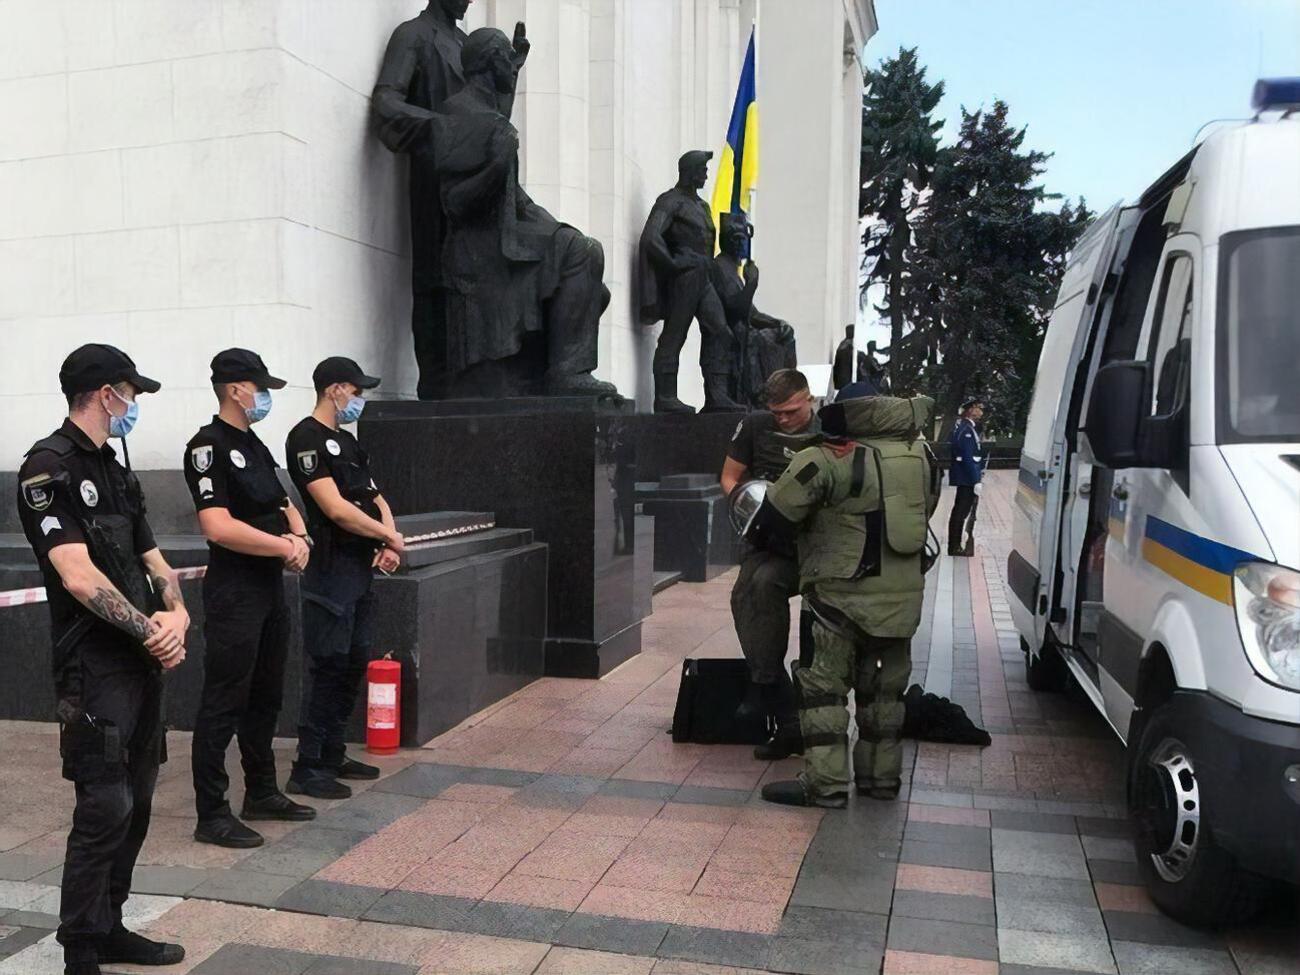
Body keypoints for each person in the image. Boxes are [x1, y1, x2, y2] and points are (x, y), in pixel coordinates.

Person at [16, 345, 187, 975]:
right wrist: (152, 632)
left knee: (138, 801)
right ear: (107, 393)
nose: (134, 405)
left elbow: (153, 557)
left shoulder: (116, 469)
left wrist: (176, 610)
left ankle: (110, 925)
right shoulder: (46, 468)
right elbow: (77, 575)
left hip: (140, 661)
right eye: (131, 394)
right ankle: (81, 951)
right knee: (103, 806)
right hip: (94, 667)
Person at [757, 394, 940, 808]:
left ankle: (826, 786)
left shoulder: (825, 458)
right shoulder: (921, 454)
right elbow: (925, 508)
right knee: (885, 695)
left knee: (823, 691)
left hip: (836, 601)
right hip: (900, 599)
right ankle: (881, 781)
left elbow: (776, 512)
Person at [432, 27, 618, 398]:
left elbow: (496, 123)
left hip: (507, 233)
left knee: (590, 271)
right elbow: (454, 203)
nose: (512, 68)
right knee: (583, 252)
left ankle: (559, 369)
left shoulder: (487, 113)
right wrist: (496, 166)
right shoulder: (455, 116)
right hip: (481, 248)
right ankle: (566, 372)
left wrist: (552, 227)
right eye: (505, 59)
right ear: (487, 62)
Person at [184, 349, 315, 848]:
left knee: (266, 695)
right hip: (235, 590)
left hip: (269, 588)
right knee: (224, 701)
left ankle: (261, 790)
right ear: (236, 389)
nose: (264, 398)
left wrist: (299, 537)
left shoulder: (254, 444)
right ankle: (211, 811)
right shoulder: (208, 446)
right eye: (260, 389)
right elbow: (217, 527)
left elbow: (282, 500)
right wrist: (284, 546)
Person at [373, 0, 530, 399]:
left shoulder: (467, 42)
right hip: (436, 178)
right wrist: (444, 128)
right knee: (434, 279)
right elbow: (386, 104)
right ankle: (437, 386)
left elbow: (492, 120)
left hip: (482, 179)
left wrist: (509, 76)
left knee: (489, 276)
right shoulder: (414, 34)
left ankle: (480, 379)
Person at [285, 358, 405, 799]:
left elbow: (373, 495)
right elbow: (334, 509)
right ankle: (308, 763)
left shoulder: (348, 442)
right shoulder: (306, 438)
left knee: (353, 661)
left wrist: (388, 541)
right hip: (330, 570)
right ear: (335, 390)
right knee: (328, 665)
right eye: (357, 392)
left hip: (359, 569)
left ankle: (333, 752)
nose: (360, 400)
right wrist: (388, 535)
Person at [720, 369, 820, 761]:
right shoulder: (755, 426)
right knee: (747, 595)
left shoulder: (829, 429)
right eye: (776, 413)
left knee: (768, 590)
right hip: (766, 535)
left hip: (814, 543)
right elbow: (729, 477)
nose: (783, 419)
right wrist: (749, 506)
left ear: (808, 398)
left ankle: (768, 693)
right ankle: (779, 705)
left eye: (791, 411)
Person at [639, 151, 741, 413]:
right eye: (703, 169)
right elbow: (651, 237)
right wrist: (672, 265)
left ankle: (716, 396)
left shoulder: (701, 206)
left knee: (720, 331)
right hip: (684, 277)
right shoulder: (671, 201)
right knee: (675, 335)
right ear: (690, 170)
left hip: (704, 275)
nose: (707, 174)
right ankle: (665, 397)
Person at [709, 213, 797, 407]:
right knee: (764, 341)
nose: (741, 244)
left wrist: (778, 323)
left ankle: (787, 391)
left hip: (744, 329)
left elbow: (753, 313)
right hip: (733, 333)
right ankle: (764, 396)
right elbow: (735, 309)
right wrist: (752, 284)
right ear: (725, 241)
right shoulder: (719, 267)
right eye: (736, 239)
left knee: (785, 333)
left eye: (744, 239)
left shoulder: (733, 271)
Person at [947, 399, 986, 557]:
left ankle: (955, 545)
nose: (981, 412)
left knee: (960, 511)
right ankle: (954, 546)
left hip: (965, 476)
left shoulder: (967, 427)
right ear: (970, 410)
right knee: (961, 512)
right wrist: (975, 480)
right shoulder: (967, 430)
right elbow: (968, 458)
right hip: (966, 477)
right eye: (978, 408)